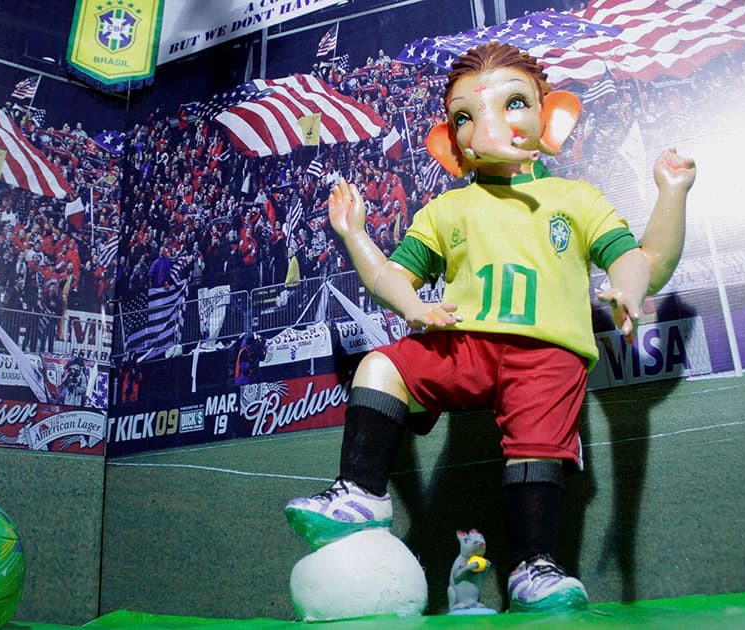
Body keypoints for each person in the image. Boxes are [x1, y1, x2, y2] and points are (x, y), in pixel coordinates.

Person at [284, 42, 696, 614]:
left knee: (535, 449)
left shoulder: (573, 198)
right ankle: (360, 492)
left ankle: (534, 565)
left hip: (547, 355)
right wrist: (360, 242)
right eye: (465, 116)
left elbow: (640, 259)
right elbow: (388, 275)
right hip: (463, 343)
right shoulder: (446, 211)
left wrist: (659, 220)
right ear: (451, 144)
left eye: (514, 102)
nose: (490, 123)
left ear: (549, 119)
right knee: (381, 365)